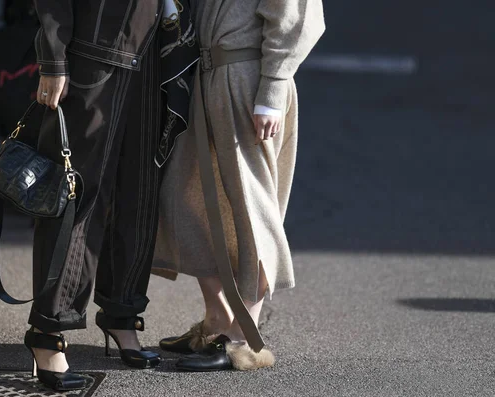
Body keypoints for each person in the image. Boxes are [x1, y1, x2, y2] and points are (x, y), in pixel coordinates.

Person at [23, 0, 197, 390]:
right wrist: (53, 58)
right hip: (94, 55)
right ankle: (48, 333)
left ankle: (123, 315)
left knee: (139, 196)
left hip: (156, 60)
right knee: (76, 199)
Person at [153, 0, 326, 371]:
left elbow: (298, 16)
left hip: (248, 79)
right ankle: (217, 320)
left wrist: (274, 89)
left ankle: (242, 339)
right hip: (203, 76)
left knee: (252, 211)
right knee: (181, 198)